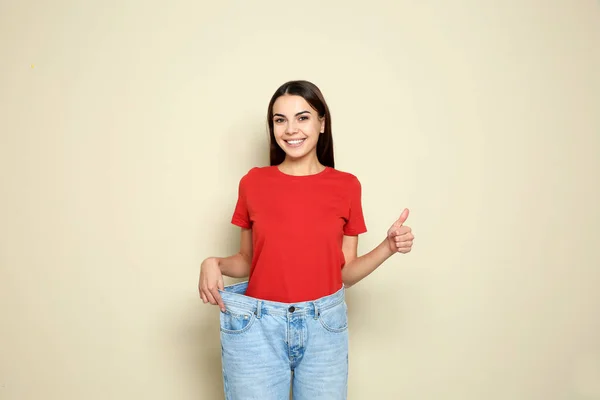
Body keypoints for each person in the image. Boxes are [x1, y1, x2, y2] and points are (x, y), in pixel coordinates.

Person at [198, 80, 414, 400]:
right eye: (279, 120)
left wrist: (388, 247)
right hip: (257, 327)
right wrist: (213, 262)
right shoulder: (254, 182)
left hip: (324, 327)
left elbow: (344, 273)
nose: (290, 129)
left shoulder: (346, 186)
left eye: (302, 117)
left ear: (321, 123)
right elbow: (248, 260)